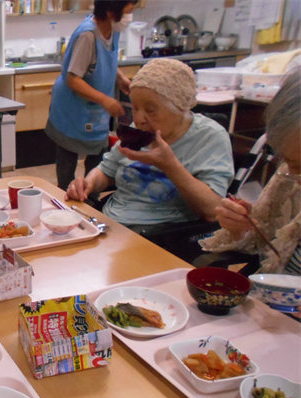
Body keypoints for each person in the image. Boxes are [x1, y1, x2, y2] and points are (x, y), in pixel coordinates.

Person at [65, 58, 234, 232]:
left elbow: (212, 212)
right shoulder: (138, 131)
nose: (138, 120)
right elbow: (107, 170)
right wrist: (88, 183)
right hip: (111, 222)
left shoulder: (210, 137)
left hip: (161, 234)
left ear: (179, 107)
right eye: (135, 108)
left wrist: (170, 165)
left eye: (150, 110)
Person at [200, 68, 301, 274]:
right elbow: (266, 250)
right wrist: (240, 228)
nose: (295, 176)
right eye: (290, 162)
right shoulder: (287, 178)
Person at [46, 0, 138, 191]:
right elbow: (72, 78)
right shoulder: (88, 36)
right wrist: (104, 99)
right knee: (68, 155)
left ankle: (91, 193)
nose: (130, 16)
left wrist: (119, 77)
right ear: (113, 12)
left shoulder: (113, 29)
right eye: (129, 10)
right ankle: (64, 194)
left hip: (94, 108)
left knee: (99, 152)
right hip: (72, 107)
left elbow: (105, 59)